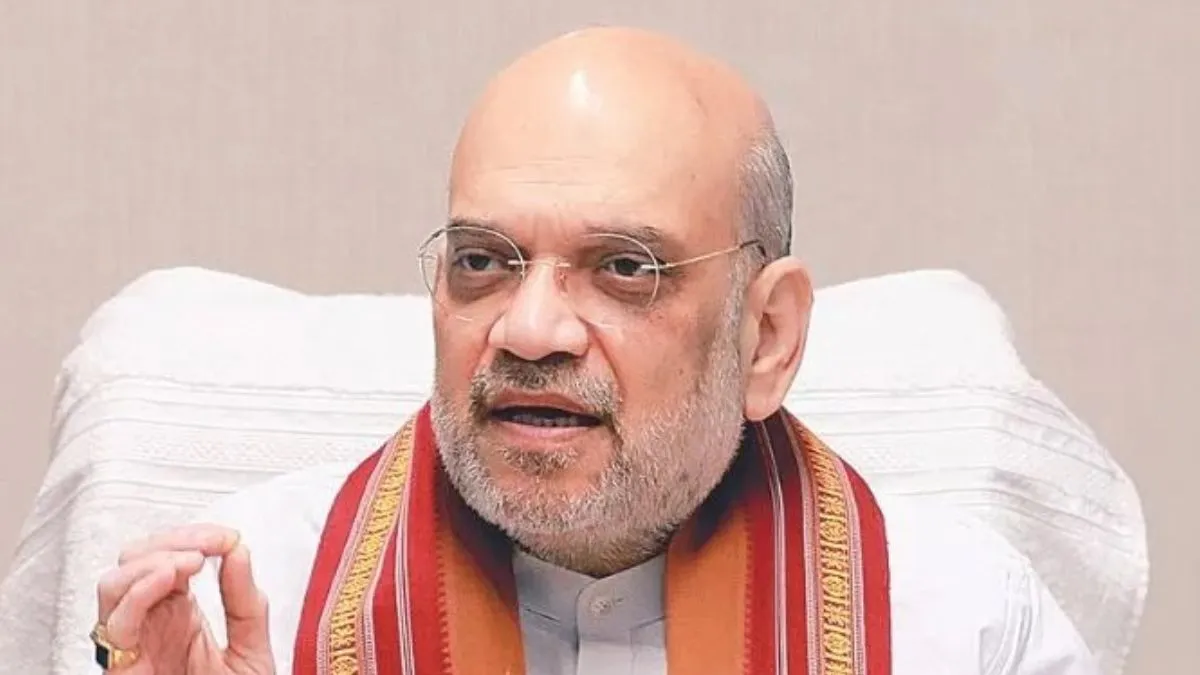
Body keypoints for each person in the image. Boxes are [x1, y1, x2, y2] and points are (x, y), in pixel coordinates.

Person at [92, 26, 1099, 675]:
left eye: (625, 268)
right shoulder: (237, 602)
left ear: (766, 337)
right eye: (483, 261)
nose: (529, 331)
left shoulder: (964, 626)